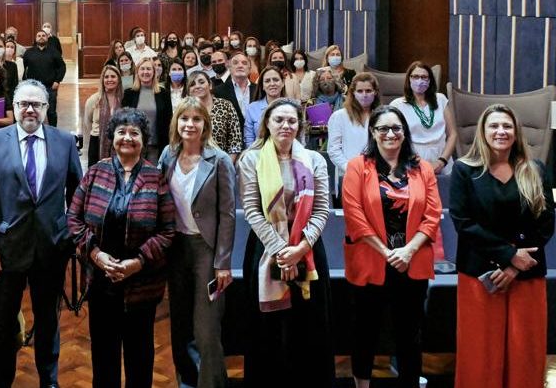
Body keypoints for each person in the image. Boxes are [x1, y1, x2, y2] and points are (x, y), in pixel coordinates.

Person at [0, 79, 82, 388]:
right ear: (15, 107)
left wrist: (70, 235)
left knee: (49, 321)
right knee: (4, 323)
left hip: (52, 246)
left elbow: (77, 193)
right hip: (7, 250)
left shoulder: (64, 141)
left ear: (47, 108)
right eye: (24, 104)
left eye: (37, 104)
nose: (30, 109)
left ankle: (49, 380)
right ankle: (2, 381)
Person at [68, 107, 176, 388]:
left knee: (140, 356)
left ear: (144, 139)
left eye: (134, 133)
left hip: (142, 282)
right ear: (111, 137)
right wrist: (96, 254)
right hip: (101, 280)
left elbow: (167, 231)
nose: (127, 138)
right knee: (104, 355)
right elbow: (74, 219)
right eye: (121, 132)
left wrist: (137, 262)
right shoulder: (95, 173)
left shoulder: (155, 177)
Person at [450, 104, 554, 388]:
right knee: (481, 351)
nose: (501, 131)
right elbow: (464, 221)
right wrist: (508, 256)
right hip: (480, 275)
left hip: (527, 273)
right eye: (493, 126)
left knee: (525, 350)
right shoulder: (464, 170)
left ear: (516, 132)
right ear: (482, 132)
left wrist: (515, 264)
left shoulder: (535, 169)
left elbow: (544, 222)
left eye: (507, 126)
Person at [341, 105, 441, 388]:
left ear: (404, 132)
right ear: (373, 132)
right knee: (365, 332)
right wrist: (386, 253)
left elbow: (433, 215)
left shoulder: (422, 168)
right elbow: (354, 215)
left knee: (410, 334)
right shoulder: (357, 167)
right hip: (371, 261)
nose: (390, 134)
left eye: (396, 128)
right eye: (383, 128)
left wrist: (408, 251)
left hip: (413, 261)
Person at [238, 98, 333, 386]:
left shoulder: (314, 160)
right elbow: (252, 210)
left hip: (308, 251)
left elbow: (322, 209)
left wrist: (300, 248)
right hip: (267, 252)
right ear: (267, 123)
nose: (285, 126)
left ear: (300, 126)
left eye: (292, 121)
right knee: (268, 331)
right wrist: (282, 250)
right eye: (279, 119)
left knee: (309, 328)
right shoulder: (251, 159)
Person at [159, 97, 237, 388]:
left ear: (205, 125)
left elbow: (228, 215)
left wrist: (223, 262)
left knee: (206, 329)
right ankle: (186, 383)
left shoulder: (219, 160)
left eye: (196, 119)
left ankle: (212, 383)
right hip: (176, 249)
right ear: (176, 122)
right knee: (179, 326)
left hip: (206, 251)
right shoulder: (168, 155)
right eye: (184, 119)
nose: (189, 125)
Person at [390, 61, 457, 176]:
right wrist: (413, 160)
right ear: (409, 79)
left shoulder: (440, 99)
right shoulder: (397, 105)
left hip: (442, 159)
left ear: (430, 80)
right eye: (415, 76)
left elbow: (453, 134)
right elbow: (393, 137)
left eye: (424, 77)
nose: (419, 80)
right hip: (412, 161)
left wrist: (441, 162)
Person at [328, 73, 380, 194]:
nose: (364, 95)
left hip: (377, 176)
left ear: (375, 92)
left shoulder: (382, 115)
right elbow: (333, 150)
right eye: (360, 91)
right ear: (353, 93)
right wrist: (351, 169)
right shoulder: (340, 116)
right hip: (348, 175)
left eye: (368, 91)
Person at [121, 57, 171, 163]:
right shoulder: (129, 93)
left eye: (148, 69)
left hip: (156, 146)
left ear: (154, 72)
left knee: (153, 177)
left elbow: (169, 120)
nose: (145, 72)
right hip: (133, 145)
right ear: (137, 72)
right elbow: (123, 121)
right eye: (142, 69)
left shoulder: (163, 94)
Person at [185, 72, 244, 160]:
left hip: (221, 163)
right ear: (189, 90)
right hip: (191, 163)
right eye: (192, 84)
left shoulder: (225, 106)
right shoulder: (185, 109)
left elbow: (235, 142)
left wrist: (227, 167)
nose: (197, 86)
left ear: (210, 85)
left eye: (201, 82)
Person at [22, 30, 66, 127]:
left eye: (43, 35)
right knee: (34, 111)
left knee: (51, 112)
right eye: (39, 36)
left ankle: (53, 131)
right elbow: (25, 69)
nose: (41, 37)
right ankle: (35, 129)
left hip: (50, 87)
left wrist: (57, 81)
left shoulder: (54, 52)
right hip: (33, 88)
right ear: (35, 38)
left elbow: (62, 67)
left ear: (47, 38)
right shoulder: (29, 53)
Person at [82, 64, 124, 166]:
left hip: (120, 143)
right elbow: (87, 122)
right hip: (97, 143)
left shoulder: (123, 99)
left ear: (118, 79)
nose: (110, 79)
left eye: (113, 76)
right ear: (102, 80)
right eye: (106, 77)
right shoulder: (94, 100)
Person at [243, 66, 285, 149]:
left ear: (283, 83)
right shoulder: (252, 108)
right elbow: (249, 139)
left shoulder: (292, 107)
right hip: (259, 156)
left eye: (276, 80)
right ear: (262, 86)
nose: (272, 84)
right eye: (267, 81)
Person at [213, 52, 257, 130]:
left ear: (249, 69)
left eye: (244, 63)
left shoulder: (258, 89)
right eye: (235, 63)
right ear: (229, 68)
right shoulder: (218, 91)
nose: (240, 66)